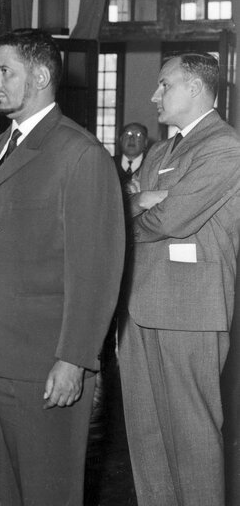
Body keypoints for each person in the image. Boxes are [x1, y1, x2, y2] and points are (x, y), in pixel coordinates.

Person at [0, 29, 125, 505]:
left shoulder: (80, 153)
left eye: (6, 71)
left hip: (39, 358)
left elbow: (95, 270)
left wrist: (74, 358)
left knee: (47, 491)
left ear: (41, 75)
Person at [120, 52, 240, 506]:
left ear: (194, 87)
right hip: (140, 306)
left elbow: (170, 219)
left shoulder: (224, 147)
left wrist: (155, 200)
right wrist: (145, 198)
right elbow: (127, 202)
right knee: (147, 438)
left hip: (188, 310)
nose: (154, 95)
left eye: (164, 84)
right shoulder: (160, 151)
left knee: (192, 440)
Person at [117, 122, 148, 192]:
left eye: (138, 135)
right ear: (121, 139)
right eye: (128, 134)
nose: (132, 138)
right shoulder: (109, 163)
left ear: (146, 142)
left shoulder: (152, 165)